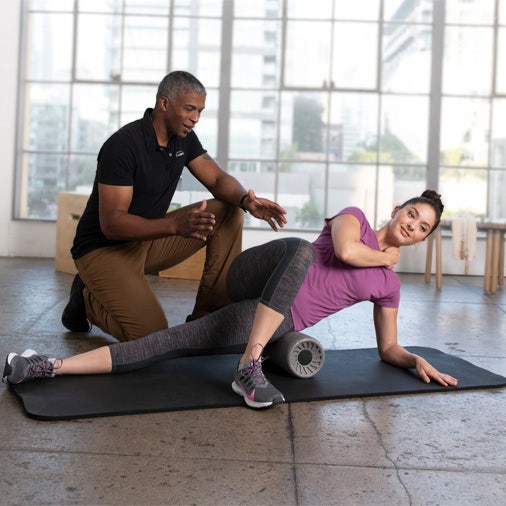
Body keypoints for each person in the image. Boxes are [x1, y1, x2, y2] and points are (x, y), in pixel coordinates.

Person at [3, 190, 459, 409]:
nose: (412, 226)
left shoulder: (389, 286)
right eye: (412, 215)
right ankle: (251, 366)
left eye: (422, 228)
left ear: (423, 239)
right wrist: (385, 257)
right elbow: (344, 252)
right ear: (398, 208)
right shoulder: (355, 219)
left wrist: (413, 360)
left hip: (273, 318)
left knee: (169, 342)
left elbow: (387, 348)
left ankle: (44, 366)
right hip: (251, 276)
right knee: (301, 248)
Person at [61, 70, 287, 342]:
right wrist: (173, 225)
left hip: (147, 241)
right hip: (103, 250)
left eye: (200, 111)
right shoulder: (123, 145)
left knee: (228, 210)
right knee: (151, 336)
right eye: (190, 109)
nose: (195, 118)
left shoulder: (183, 139)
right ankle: (86, 299)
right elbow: (112, 223)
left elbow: (215, 177)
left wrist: (246, 200)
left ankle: (207, 314)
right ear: (164, 104)